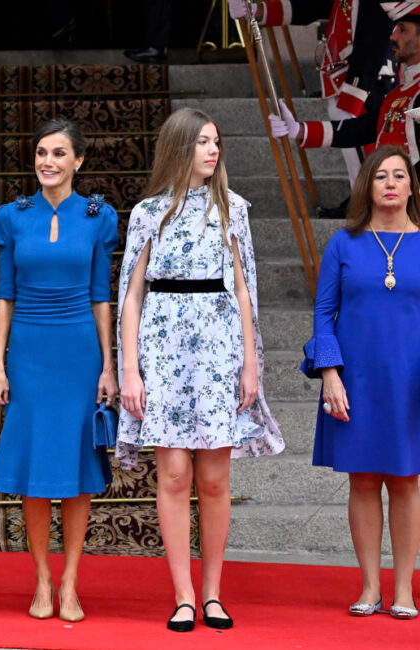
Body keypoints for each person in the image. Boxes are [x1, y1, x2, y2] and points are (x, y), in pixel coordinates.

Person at [117, 107, 283, 632]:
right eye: (203, 142)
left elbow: (244, 289)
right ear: (180, 147)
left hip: (218, 354)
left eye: (216, 142)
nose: (213, 151)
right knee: (172, 474)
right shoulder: (147, 212)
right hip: (163, 355)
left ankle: (213, 592)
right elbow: (131, 297)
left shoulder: (233, 209)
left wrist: (251, 365)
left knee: (214, 479)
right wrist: (130, 370)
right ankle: (183, 594)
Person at [0, 119, 119, 623]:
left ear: (78, 161)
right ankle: (41, 579)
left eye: (59, 153)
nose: (48, 161)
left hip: (80, 352)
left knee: (78, 472)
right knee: (37, 471)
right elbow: (5, 295)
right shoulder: (11, 216)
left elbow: (101, 295)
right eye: (41, 152)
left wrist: (108, 366)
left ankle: (70, 583)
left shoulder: (98, 216)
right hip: (29, 352)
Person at [303, 145, 420, 620]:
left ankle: (405, 590)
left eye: (399, 175)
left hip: (410, 380)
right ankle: (370, 586)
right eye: (380, 176)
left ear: (412, 185)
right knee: (364, 482)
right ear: (366, 186)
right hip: (354, 381)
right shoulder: (343, 244)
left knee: (408, 482)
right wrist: (330, 373)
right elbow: (322, 314)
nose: (390, 183)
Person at [270, 4, 420, 175]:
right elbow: (365, 128)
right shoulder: (398, 94)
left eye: (402, 30)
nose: (392, 36)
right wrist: (300, 130)